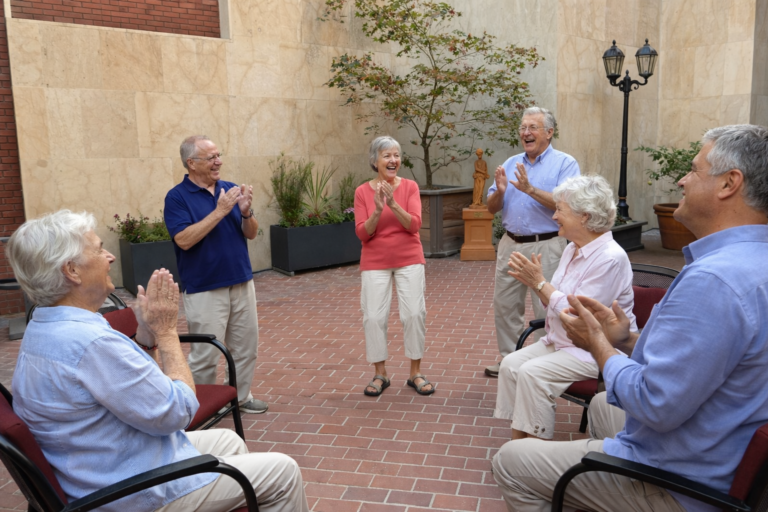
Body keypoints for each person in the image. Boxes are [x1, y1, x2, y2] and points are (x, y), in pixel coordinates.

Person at [492, 124, 768, 512]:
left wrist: (601, 346)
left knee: (509, 461)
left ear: (729, 183)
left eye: (693, 169)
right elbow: (707, 360)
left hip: (682, 480)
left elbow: (655, 403)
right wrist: (627, 341)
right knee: (604, 404)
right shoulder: (749, 263)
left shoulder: (715, 280)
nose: (682, 180)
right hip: (713, 447)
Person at [8, 210, 309, 512]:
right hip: (129, 492)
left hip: (102, 465)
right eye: (99, 249)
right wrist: (166, 332)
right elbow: (177, 412)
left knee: (228, 442)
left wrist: (146, 335)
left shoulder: (45, 326)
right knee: (283, 471)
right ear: (71, 270)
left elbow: (134, 394)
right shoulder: (89, 342)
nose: (110, 256)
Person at [495, 175, 637, 440]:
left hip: (594, 348)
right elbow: (553, 297)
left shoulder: (610, 258)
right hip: (562, 340)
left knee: (532, 373)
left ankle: (531, 453)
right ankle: (518, 445)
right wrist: (541, 285)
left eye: (560, 209)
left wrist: (539, 284)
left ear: (584, 216)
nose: (554, 216)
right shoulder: (572, 248)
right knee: (511, 364)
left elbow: (576, 313)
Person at [164, 135, 267, 414]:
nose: (218, 161)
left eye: (219, 155)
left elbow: (252, 233)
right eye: (211, 158)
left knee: (246, 349)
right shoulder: (177, 197)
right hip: (205, 287)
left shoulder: (231, 189)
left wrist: (246, 214)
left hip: (242, 281)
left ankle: (241, 398)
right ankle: (201, 407)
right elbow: (184, 239)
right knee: (206, 354)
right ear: (191, 163)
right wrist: (221, 211)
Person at [485, 107, 580, 377]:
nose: (526, 133)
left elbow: (568, 203)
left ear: (549, 133)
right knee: (505, 306)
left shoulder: (565, 163)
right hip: (511, 244)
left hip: (548, 245)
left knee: (547, 305)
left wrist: (530, 190)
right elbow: (491, 208)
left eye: (533, 127)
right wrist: (500, 192)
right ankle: (509, 360)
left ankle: (542, 362)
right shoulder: (512, 162)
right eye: (523, 128)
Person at [354, 136, 435, 396]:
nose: (393, 160)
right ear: (374, 161)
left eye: (396, 155)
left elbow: (414, 224)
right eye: (387, 156)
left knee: (414, 314)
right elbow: (362, 234)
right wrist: (377, 210)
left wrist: (392, 203)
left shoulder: (410, 187)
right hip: (375, 261)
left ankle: (415, 373)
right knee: (374, 317)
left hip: (409, 258)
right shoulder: (362, 192)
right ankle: (380, 374)